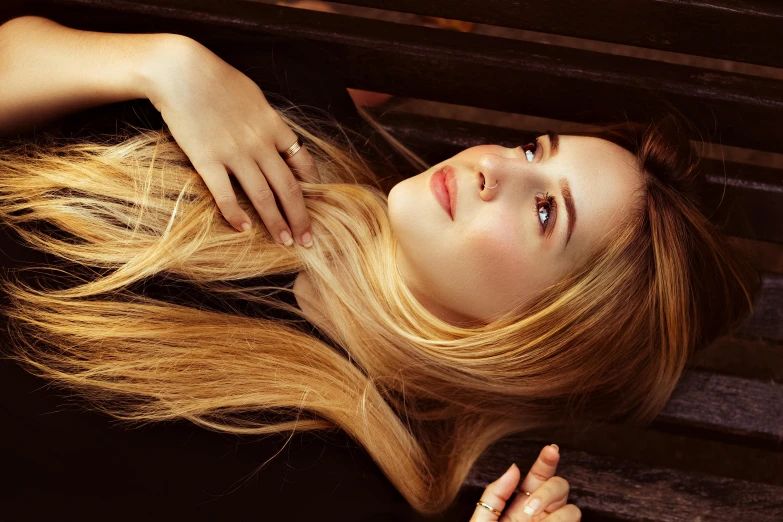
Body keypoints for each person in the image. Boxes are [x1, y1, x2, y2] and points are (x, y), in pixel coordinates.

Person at [0, 15, 758, 521]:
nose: (495, 164)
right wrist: (156, 64)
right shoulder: (282, 112)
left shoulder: (327, 485)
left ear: (539, 333)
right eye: (533, 148)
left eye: (542, 213)